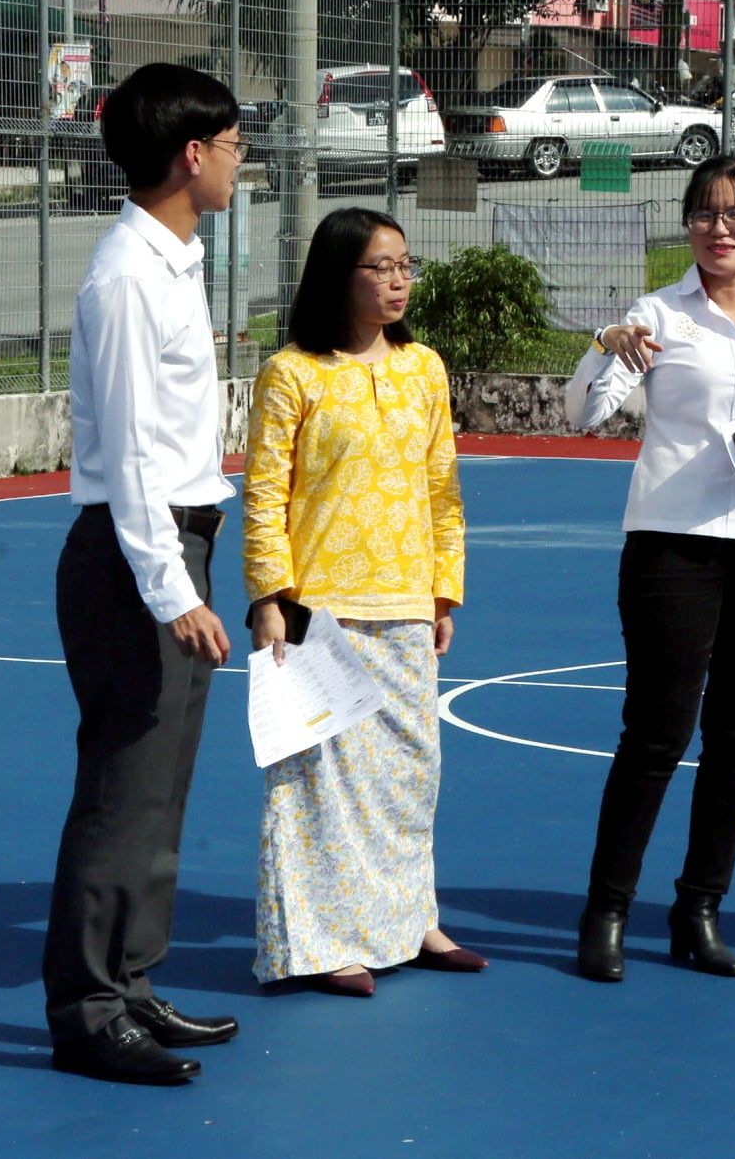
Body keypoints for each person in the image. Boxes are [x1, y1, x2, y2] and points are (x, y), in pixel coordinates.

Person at [563, 155, 735, 982]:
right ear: (687, 226)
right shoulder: (657, 313)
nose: (719, 228)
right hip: (673, 543)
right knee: (656, 731)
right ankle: (606, 910)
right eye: (704, 213)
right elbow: (583, 414)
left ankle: (699, 909)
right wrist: (602, 348)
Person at [44, 62, 246, 1085]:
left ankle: (129, 983)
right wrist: (175, 594)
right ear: (190, 155)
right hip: (137, 555)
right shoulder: (125, 275)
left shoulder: (174, 261)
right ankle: (85, 1012)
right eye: (232, 142)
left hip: (176, 539)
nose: (240, 159)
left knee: (160, 788)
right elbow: (124, 458)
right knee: (123, 788)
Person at [243, 207, 475, 996]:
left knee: (413, 770)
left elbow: (442, 488)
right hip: (320, 606)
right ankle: (323, 940)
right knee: (319, 784)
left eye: (405, 264)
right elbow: (265, 493)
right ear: (339, 275)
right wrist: (269, 596)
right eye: (380, 266)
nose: (399, 279)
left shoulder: (425, 369)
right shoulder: (293, 373)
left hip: (407, 597)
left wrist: (445, 590)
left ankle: (414, 920)